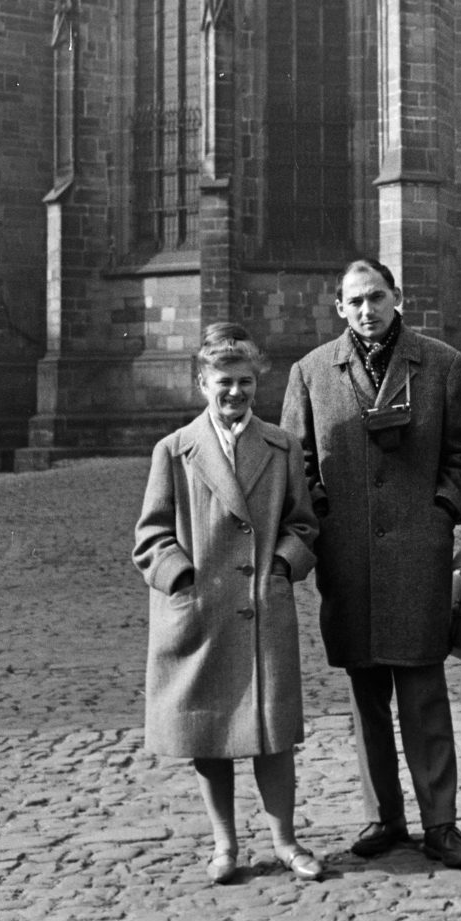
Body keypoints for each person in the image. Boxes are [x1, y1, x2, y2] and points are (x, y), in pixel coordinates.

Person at [281, 258, 461, 870]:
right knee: (366, 692)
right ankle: (384, 817)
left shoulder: (440, 363)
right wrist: (325, 520)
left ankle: (441, 822)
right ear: (338, 308)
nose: (366, 310)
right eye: (353, 301)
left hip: (419, 555)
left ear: (399, 297)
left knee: (423, 689)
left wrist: (442, 510)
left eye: (375, 297)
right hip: (350, 558)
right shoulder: (312, 372)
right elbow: (299, 463)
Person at [133, 323, 323, 885]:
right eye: (223, 382)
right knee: (209, 732)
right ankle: (225, 845)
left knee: (274, 731)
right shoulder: (174, 450)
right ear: (201, 384)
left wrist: (284, 566)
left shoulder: (281, 445)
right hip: (203, 611)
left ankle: (286, 842)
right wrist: (183, 578)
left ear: (257, 385)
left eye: (244, 382)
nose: (234, 393)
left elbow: (303, 523)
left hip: (263, 605)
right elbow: (151, 536)